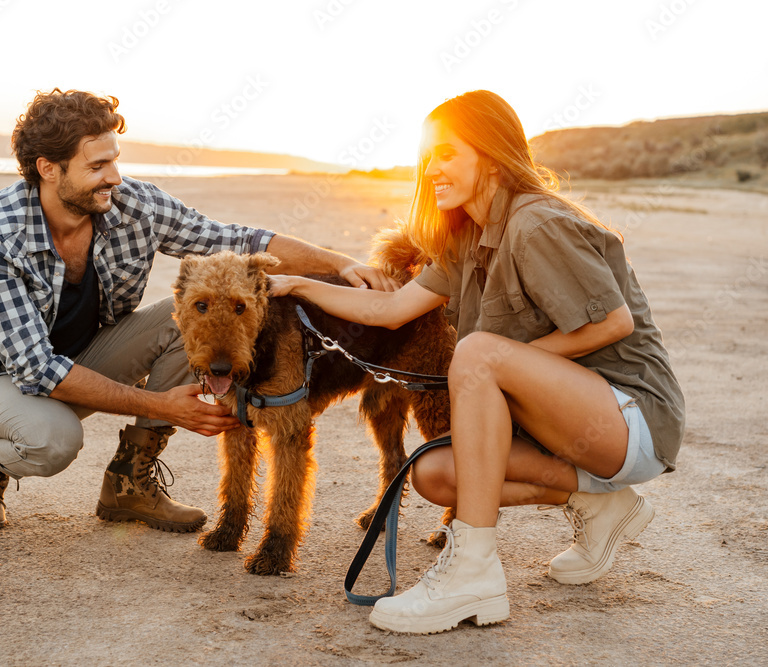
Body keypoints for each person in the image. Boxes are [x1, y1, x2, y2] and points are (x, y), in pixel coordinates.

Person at [269, 90, 684, 634]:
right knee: (434, 475)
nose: (432, 169)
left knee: (476, 354)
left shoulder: (535, 223)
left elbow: (612, 324)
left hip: (631, 420)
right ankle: (602, 505)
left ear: (488, 152)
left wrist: (501, 368)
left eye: (446, 153)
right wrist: (298, 283)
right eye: (427, 157)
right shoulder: (464, 237)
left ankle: (472, 574)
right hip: (567, 428)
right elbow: (391, 309)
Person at [0, 88, 396, 534]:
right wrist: (162, 406)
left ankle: (128, 482)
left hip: (83, 355)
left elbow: (235, 239)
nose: (114, 176)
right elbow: (35, 369)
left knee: (188, 324)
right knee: (53, 440)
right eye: (98, 165)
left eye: (114, 159)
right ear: (48, 169)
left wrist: (343, 263)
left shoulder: (132, 203)